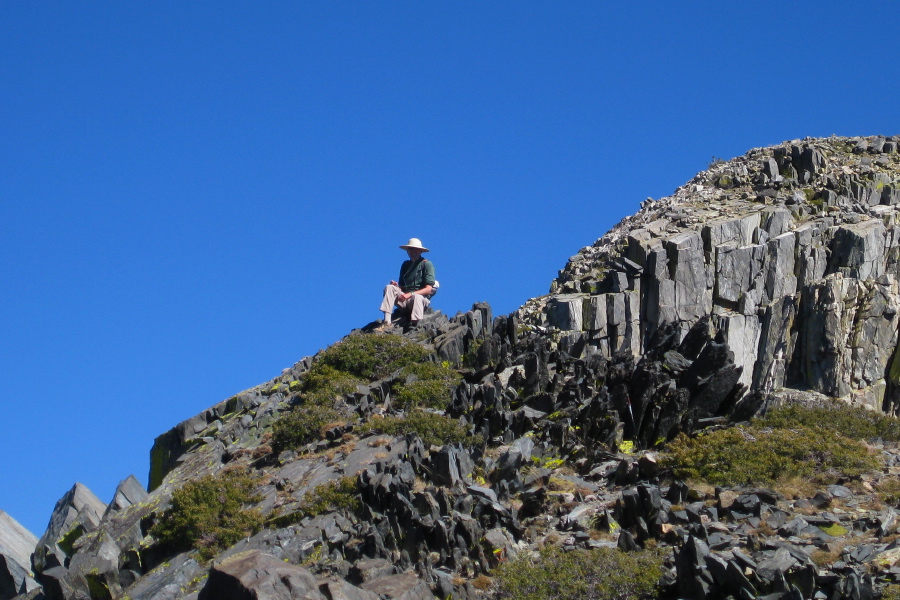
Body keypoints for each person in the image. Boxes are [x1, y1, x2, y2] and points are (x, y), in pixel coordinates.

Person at [378, 238, 435, 329]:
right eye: (411, 249)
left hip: (419, 300)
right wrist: (397, 286)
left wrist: (410, 294)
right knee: (389, 287)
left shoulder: (426, 264)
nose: (413, 251)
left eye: (416, 249)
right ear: (407, 251)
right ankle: (387, 320)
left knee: (417, 297)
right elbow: (402, 286)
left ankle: (415, 324)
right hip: (405, 300)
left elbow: (429, 289)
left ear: (420, 251)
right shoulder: (405, 265)